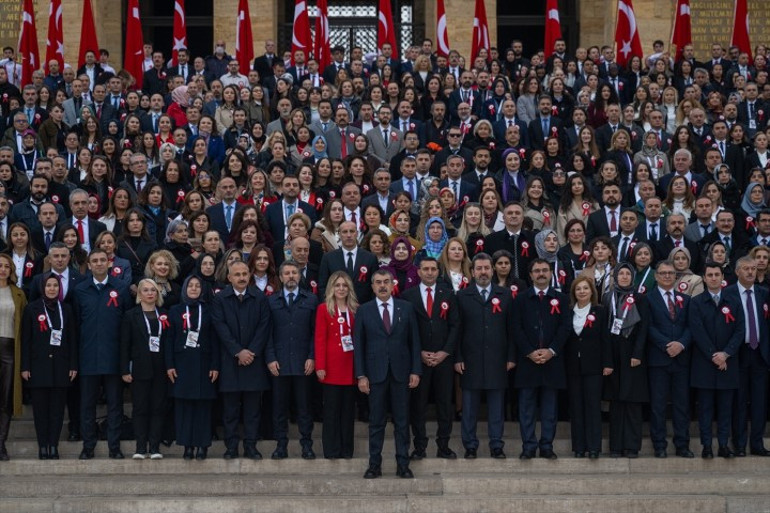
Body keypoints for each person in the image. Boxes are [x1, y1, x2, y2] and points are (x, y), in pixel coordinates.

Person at [353, 269, 421, 479]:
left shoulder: (406, 308)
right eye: (378, 282)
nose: (382, 286)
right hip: (375, 375)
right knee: (376, 422)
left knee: (402, 421)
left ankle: (403, 464)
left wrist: (415, 370)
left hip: (401, 373)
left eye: (386, 282)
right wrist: (361, 375)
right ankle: (374, 465)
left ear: (393, 285)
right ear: (372, 286)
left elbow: (414, 342)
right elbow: (359, 345)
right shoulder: (364, 311)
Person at [455, 253, 515, 459]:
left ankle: (496, 445)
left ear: (493, 270)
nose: (483, 272)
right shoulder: (462, 296)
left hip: (498, 360)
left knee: (497, 407)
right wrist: (458, 357)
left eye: (486, 268)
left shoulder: (505, 295)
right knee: (469, 408)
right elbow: (457, 329)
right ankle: (470, 445)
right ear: (472, 272)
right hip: (470, 360)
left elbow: (511, 328)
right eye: (478, 268)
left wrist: (511, 356)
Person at [74, 249, 131, 460]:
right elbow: (77, 325)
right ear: (88, 265)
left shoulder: (121, 288)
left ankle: (114, 447)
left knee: (115, 405)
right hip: (88, 357)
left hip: (114, 358)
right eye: (94, 261)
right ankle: (88, 446)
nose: (98, 264)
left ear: (109, 263)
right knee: (87, 405)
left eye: (102, 260)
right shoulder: (80, 290)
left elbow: (127, 324)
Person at [211, 260, 271, 459]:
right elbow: (220, 328)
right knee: (230, 410)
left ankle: (251, 446)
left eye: (245, 273)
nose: (242, 277)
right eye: (237, 274)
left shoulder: (259, 298)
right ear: (229, 278)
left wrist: (251, 351)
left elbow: (264, 327)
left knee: (253, 410)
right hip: (231, 362)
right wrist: (238, 351)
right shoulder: (220, 300)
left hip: (254, 362)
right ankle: (231, 447)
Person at [402, 257, 460, 460]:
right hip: (419, 360)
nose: (429, 272)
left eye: (433, 269)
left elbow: (455, 326)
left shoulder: (448, 294)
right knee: (418, 405)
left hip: (443, 359)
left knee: (445, 404)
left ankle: (443, 445)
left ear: (438, 271)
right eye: (425, 269)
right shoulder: (407, 296)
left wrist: (445, 352)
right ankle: (419, 447)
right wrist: (418, 353)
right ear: (418, 272)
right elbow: (405, 329)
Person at [513, 258, 570, 460]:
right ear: (530, 275)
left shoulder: (561, 299)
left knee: (549, 408)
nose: (541, 274)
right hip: (528, 362)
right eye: (536, 270)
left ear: (550, 273)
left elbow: (565, 327)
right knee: (526, 407)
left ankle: (547, 445)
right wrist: (529, 351)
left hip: (552, 362)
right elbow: (516, 328)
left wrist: (551, 350)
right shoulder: (520, 299)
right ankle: (528, 446)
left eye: (545, 270)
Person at [689, 262, 743, 459]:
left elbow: (739, 331)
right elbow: (697, 332)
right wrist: (715, 355)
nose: (713, 278)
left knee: (726, 408)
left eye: (716, 274)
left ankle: (723, 445)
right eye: (709, 275)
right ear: (704, 278)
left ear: (722, 277)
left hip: (728, 364)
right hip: (705, 364)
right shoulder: (696, 302)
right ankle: (706, 446)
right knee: (705, 408)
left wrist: (726, 354)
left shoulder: (734, 302)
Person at [20, 273, 76, 460]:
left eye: (55, 286)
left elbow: (72, 340)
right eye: (48, 286)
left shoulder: (66, 309)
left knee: (57, 411)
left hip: (61, 367)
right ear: (42, 288)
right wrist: (25, 366)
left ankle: (54, 445)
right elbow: (25, 340)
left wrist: (73, 365)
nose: (52, 289)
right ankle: (43, 445)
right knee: (41, 412)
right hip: (38, 368)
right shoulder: (32, 309)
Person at [266, 260, 318, 460]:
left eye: (294, 273)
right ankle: (281, 445)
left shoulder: (311, 300)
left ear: (300, 276)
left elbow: (315, 332)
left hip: (303, 362)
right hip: (279, 364)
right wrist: (270, 358)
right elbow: (267, 333)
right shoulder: (271, 301)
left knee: (304, 408)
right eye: (286, 273)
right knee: (279, 408)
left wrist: (312, 356)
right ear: (280, 277)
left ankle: (307, 445)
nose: (290, 276)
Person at [166, 275, 219, 461]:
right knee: (184, 407)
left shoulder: (210, 310)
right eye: (191, 285)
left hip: (204, 365)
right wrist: (169, 364)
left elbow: (215, 339)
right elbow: (169, 339)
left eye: (198, 286)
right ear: (185, 288)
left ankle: (202, 446)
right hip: (182, 365)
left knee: (203, 408)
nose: (194, 289)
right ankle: (187, 446)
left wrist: (215, 365)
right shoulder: (175, 310)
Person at [724, 256, 770, 457]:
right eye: (746, 269)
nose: (751, 272)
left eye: (753, 268)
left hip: (760, 354)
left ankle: (757, 444)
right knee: (739, 402)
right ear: (737, 272)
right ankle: (740, 444)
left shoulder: (764, 294)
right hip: (737, 354)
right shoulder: (728, 294)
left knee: (760, 402)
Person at [646, 260, 693, 458]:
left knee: (682, 404)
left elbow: (692, 326)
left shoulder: (686, 299)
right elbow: (648, 327)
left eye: (670, 273)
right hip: (659, 359)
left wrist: (680, 344)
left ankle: (682, 445)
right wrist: (667, 345)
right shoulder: (648, 299)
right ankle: (659, 445)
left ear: (676, 276)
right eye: (663, 273)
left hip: (681, 359)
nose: (667, 276)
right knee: (658, 405)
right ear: (656, 276)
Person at [603, 263, 649, 458]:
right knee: (616, 402)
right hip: (613, 353)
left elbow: (645, 327)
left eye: (627, 273)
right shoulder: (607, 297)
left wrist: (637, 354)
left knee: (632, 402)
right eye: (620, 273)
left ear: (632, 277)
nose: (623, 276)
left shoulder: (639, 298)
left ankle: (631, 446)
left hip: (632, 355)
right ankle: (616, 446)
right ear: (615, 276)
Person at [120, 278, 169, 460]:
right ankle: (141, 447)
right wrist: (125, 370)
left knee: (157, 408)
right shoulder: (130, 315)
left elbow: (169, 343)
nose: (150, 293)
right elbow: (124, 344)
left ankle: (155, 447)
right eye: (146, 290)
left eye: (153, 290)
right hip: (139, 368)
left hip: (161, 369)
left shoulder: (164, 314)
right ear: (140, 294)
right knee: (140, 408)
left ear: (157, 294)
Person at [565, 276, 612, 459]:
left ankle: (594, 447)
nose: (582, 291)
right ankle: (578, 447)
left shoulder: (600, 311)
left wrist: (608, 363)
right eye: (578, 289)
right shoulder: (568, 312)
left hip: (594, 367)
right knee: (576, 407)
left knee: (593, 407)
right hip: (573, 368)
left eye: (585, 288)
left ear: (592, 291)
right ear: (574, 293)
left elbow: (605, 339)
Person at [314, 271, 358, 459]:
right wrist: (320, 366)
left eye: (344, 286)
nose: (341, 289)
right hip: (331, 367)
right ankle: (331, 450)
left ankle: (347, 450)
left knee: (348, 412)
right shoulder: (324, 309)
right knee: (331, 411)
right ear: (331, 288)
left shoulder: (356, 309)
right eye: (337, 285)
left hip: (351, 366)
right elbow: (320, 339)